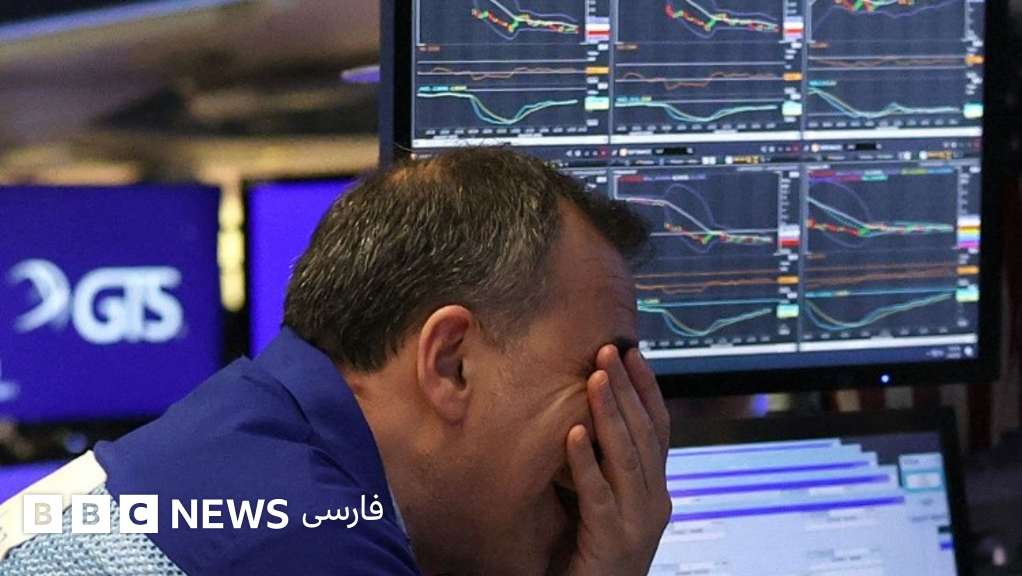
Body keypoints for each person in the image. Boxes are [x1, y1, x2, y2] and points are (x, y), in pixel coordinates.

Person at [0, 147, 671, 576]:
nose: (624, 435)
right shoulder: (309, 544)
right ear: (451, 364)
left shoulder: (253, 440)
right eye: (599, 376)